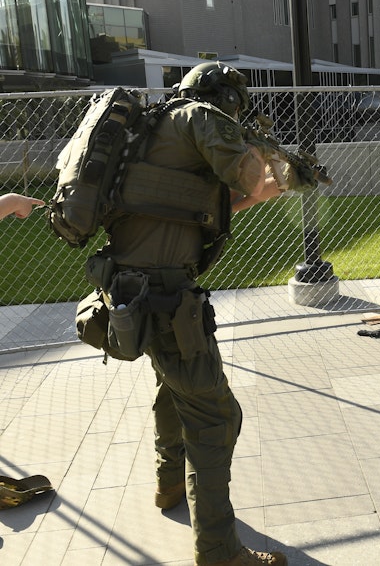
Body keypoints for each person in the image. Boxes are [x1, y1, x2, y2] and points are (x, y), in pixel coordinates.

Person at [87, 62, 286, 565]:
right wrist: (266, 156)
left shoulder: (150, 130)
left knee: (172, 389)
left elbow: (192, 208)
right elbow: (249, 174)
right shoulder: (200, 117)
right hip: (167, 297)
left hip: (128, 288)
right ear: (225, 99)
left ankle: (169, 483)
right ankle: (218, 550)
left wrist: (258, 192)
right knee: (217, 418)